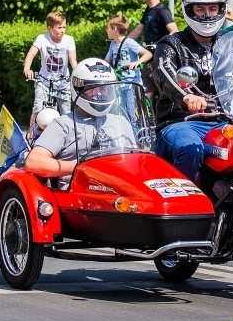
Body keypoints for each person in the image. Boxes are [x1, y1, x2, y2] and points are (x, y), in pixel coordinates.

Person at [152, 0, 228, 183]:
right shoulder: (171, 44)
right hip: (180, 122)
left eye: (213, 9)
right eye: (200, 9)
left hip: (224, 121)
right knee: (190, 149)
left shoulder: (230, 43)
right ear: (189, 9)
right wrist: (185, 96)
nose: (207, 15)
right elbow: (163, 71)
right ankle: (184, 207)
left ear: (221, 9)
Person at [25, 58, 136, 190]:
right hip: (79, 193)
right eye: (91, 88)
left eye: (103, 88)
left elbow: (134, 160)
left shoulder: (121, 122)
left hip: (120, 189)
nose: (98, 94)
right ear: (78, 88)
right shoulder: (63, 124)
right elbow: (33, 162)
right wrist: (81, 166)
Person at [22, 11, 77, 137]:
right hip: (44, 80)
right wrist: (27, 68)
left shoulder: (69, 40)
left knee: (66, 112)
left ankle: (69, 138)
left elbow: (73, 61)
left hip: (63, 82)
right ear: (50, 28)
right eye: (59, 28)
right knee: (37, 107)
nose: (62, 30)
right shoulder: (42, 39)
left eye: (64, 27)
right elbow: (31, 54)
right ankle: (31, 135)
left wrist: (78, 74)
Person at [128, 0, 179, 101]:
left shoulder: (162, 10)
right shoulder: (149, 10)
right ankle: (145, 119)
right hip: (148, 59)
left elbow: (174, 30)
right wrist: (122, 43)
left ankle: (166, 119)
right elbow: (138, 30)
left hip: (159, 60)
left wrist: (162, 46)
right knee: (145, 94)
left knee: (164, 94)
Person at [103, 13, 152, 118]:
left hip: (131, 84)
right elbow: (106, 61)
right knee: (120, 112)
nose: (106, 30)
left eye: (108, 28)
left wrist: (137, 62)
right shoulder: (113, 44)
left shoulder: (129, 42)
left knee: (130, 113)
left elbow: (148, 54)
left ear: (114, 29)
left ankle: (134, 133)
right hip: (119, 83)